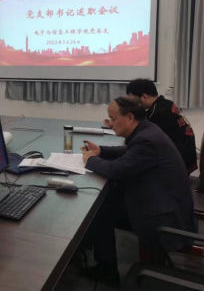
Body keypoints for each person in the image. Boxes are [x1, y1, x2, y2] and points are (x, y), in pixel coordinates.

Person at [81, 96, 196, 285]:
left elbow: (116, 171)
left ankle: (106, 271)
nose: (110, 124)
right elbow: (130, 152)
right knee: (105, 205)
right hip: (166, 204)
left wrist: (90, 160)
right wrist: (101, 151)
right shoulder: (147, 130)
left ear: (130, 117)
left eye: (113, 119)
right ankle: (101, 264)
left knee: (100, 212)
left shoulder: (147, 140)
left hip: (165, 219)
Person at [124, 78, 197, 172]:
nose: (131, 103)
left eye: (132, 99)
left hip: (178, 165)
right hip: (186, 157)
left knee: (128, 168)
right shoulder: (165, 104)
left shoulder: (157, 113)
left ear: (144, 96)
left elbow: (140, 137)